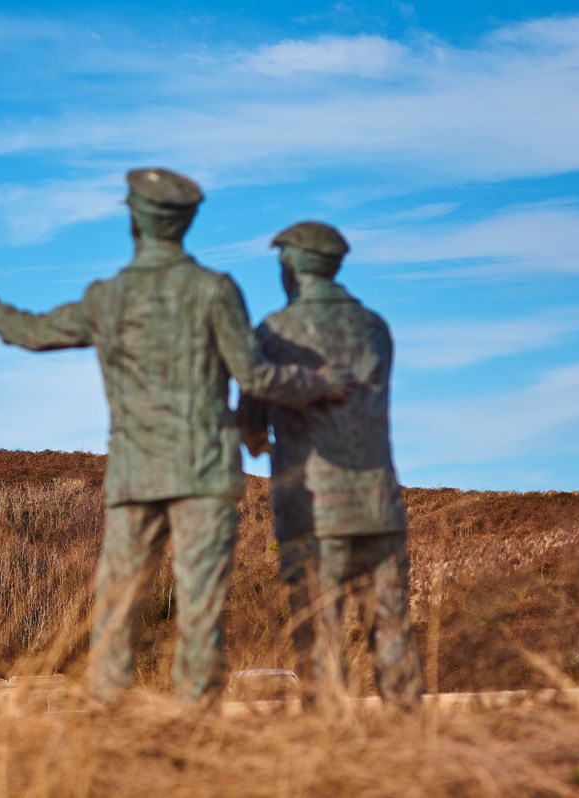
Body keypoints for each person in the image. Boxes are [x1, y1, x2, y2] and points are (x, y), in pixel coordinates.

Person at [0, 169, 352, 702]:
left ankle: (112, 715)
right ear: (185, 222)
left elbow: (37, 333)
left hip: (137, 470)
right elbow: (257, 377)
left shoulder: (110, 297)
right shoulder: (214, 289)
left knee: (119, 599)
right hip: (205, 469)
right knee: (201, 602)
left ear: (135, 220)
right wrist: (320, 382)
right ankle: (197, 718)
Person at [237, 221, 423, 708]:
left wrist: (258, 442)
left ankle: (331, 749)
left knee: (320, 633)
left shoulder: (273, 333)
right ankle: (410, 742)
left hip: (314, 508)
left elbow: (252, 421)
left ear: (294, 264)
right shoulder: (374, 328)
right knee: (392, 625)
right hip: (378, 503)